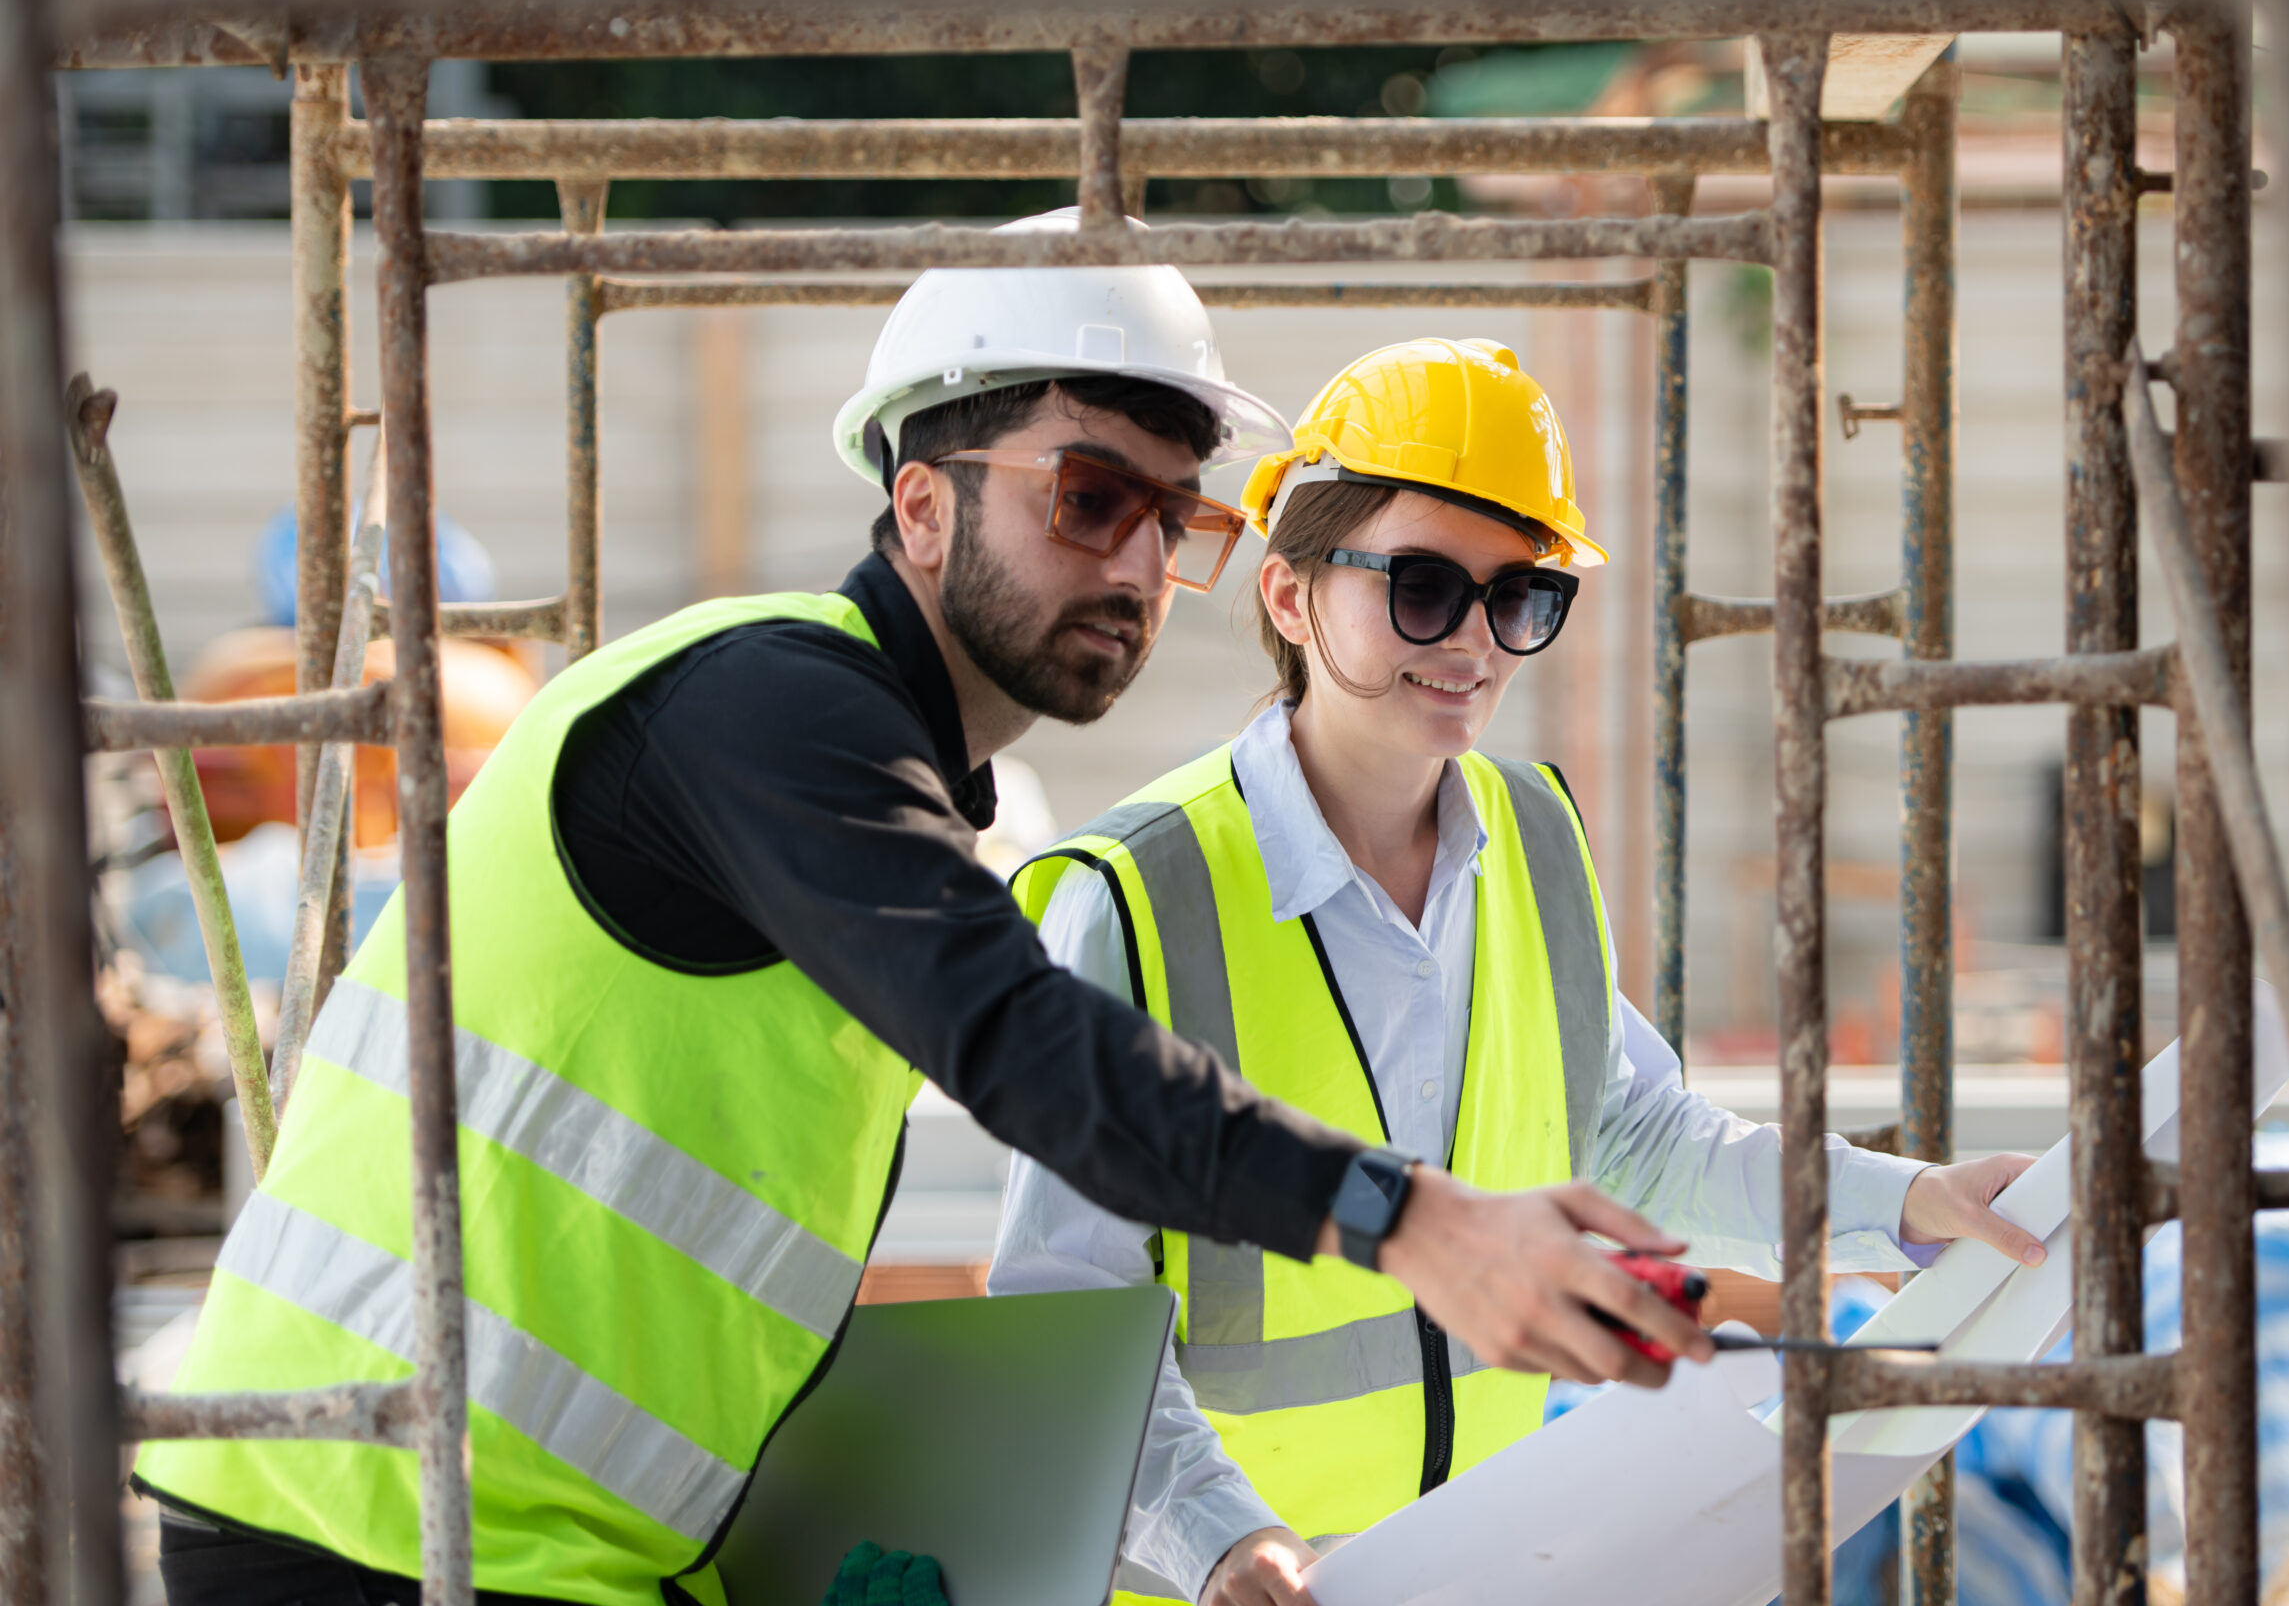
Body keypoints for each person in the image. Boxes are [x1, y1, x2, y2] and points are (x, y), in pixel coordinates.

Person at [135, 220, 1709, 1606]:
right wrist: (1422, 1225)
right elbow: (1021, 1042)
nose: (1144, 563)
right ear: (922, 502)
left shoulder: (890, 784)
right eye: (1089, 498)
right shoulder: (767, 705)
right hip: (365, 1534)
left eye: (1178, 520)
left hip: (541, 1546)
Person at [989, 337, 2047, 1606]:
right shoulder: (1134, 897)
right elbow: (1067, 1313)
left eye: (1520, 599)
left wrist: (1911, 1199)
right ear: (1288, 595)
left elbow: (1637, 1139)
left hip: (1473, 1570)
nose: (1475, 643)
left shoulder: (1534, 843)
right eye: (1423, 588)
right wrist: (1226, 1547)